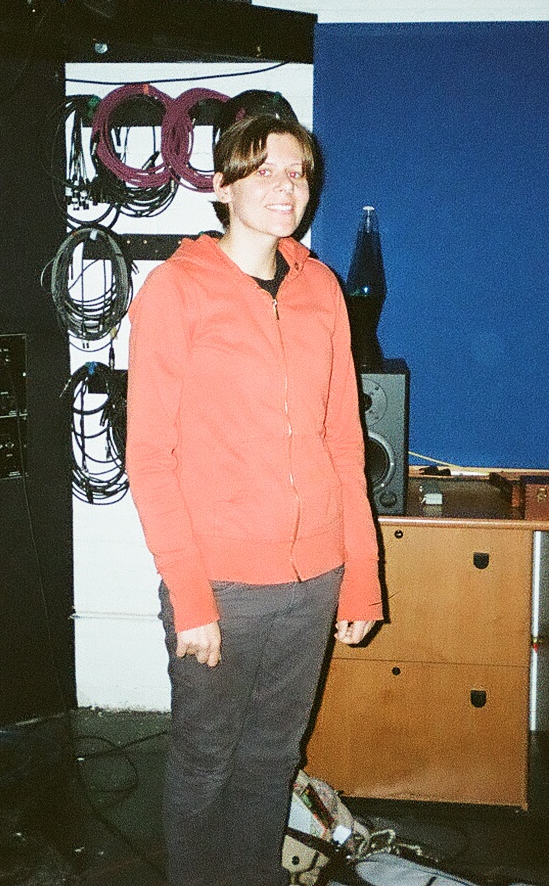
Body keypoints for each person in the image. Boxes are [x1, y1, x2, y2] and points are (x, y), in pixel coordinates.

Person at [125, 112, 385, 886]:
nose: (284, 187)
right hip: (223, 587)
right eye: (264, 170)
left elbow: (343, 442)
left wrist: (361, 575)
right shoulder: (175, 291)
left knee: (273, 758)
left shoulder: (321, 288)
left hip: (314, 580)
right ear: (223, 185)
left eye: (297, 173)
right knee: (205, 759)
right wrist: (190, 594)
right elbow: (150, 457)